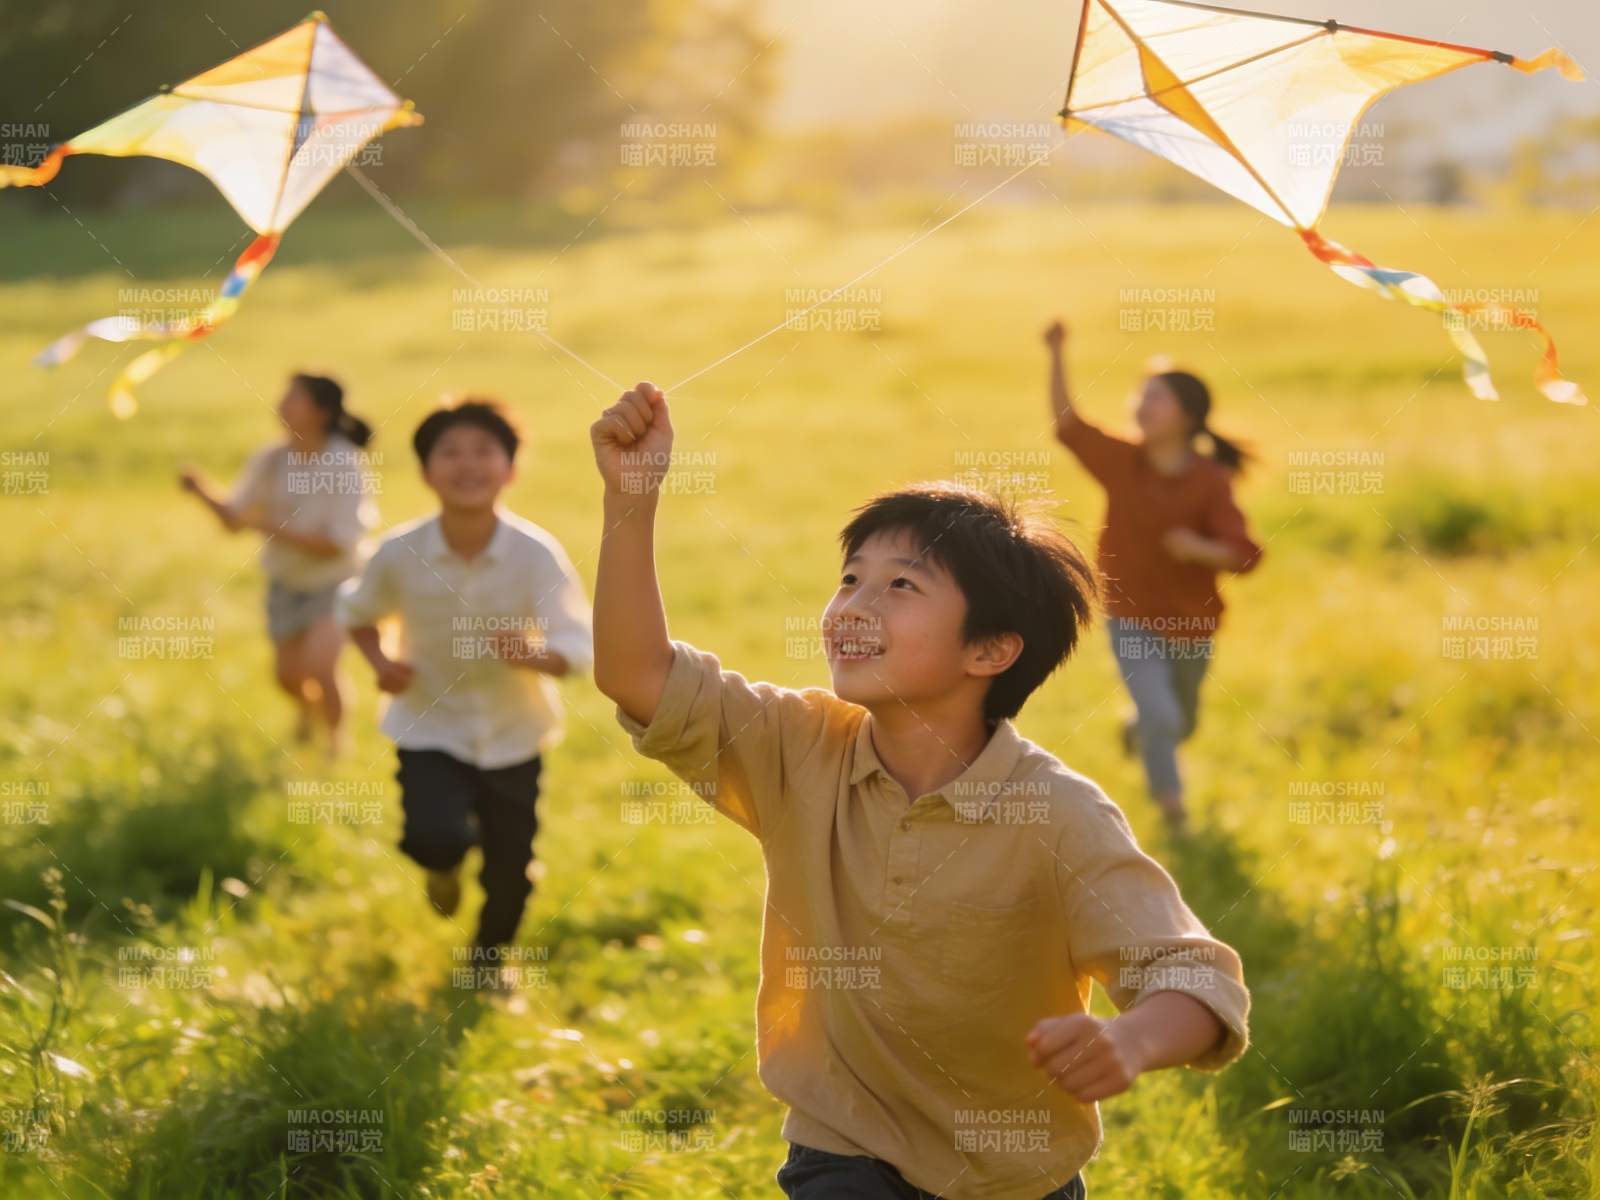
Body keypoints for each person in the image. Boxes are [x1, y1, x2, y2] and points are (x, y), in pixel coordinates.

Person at [590, 381, 1250, 1200]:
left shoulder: (1059, 814)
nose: (853, 607)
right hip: (842, 1146)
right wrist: (630, 499)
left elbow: (1196, 976)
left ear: (990, 650)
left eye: (901, 587)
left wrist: (1133, 1041)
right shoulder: (799, 747)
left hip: (1017, 1176)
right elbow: (636, 674)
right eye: (850, 579)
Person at [337, 397, 592, 957]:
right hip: (429, 726)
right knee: (433, 836)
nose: (467, 464)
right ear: (426, 472)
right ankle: (443, 866)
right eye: (449, 452)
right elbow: (355, 614)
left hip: (514, 732)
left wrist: (535, 656)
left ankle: (490, 963)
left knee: (510, 865)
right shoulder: (399, 552)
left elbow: (577, 643)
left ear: (511, 469)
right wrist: (381, 664)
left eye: (484, 451)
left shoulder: (535, 554)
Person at [1044, 320, 1262, 830]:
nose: (1142, 404)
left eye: (1156, 397)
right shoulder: (1123, 461)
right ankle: (1174, 815)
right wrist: (1056, 351)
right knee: (1163, 717)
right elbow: (1068, 425)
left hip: (1192, 624)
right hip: (1130, 617)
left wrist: (1200, 549)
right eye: (1141, 394)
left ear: (1186, 416)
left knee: (1180, 723)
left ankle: (1137, 731)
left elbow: (1246, 556)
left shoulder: (1209, 481)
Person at [179, 372, 376, 756]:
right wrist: (201, 491)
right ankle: (307, 712)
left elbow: (337, 546)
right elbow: (235, 520)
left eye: (295, 398)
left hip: (336, 581)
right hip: (286, 582)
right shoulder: (270, 459)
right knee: (287, 677)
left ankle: (336, 746)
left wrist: (268, 525)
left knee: (321, 666)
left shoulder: (343, 463)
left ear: (321, 412)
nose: (283, 405)